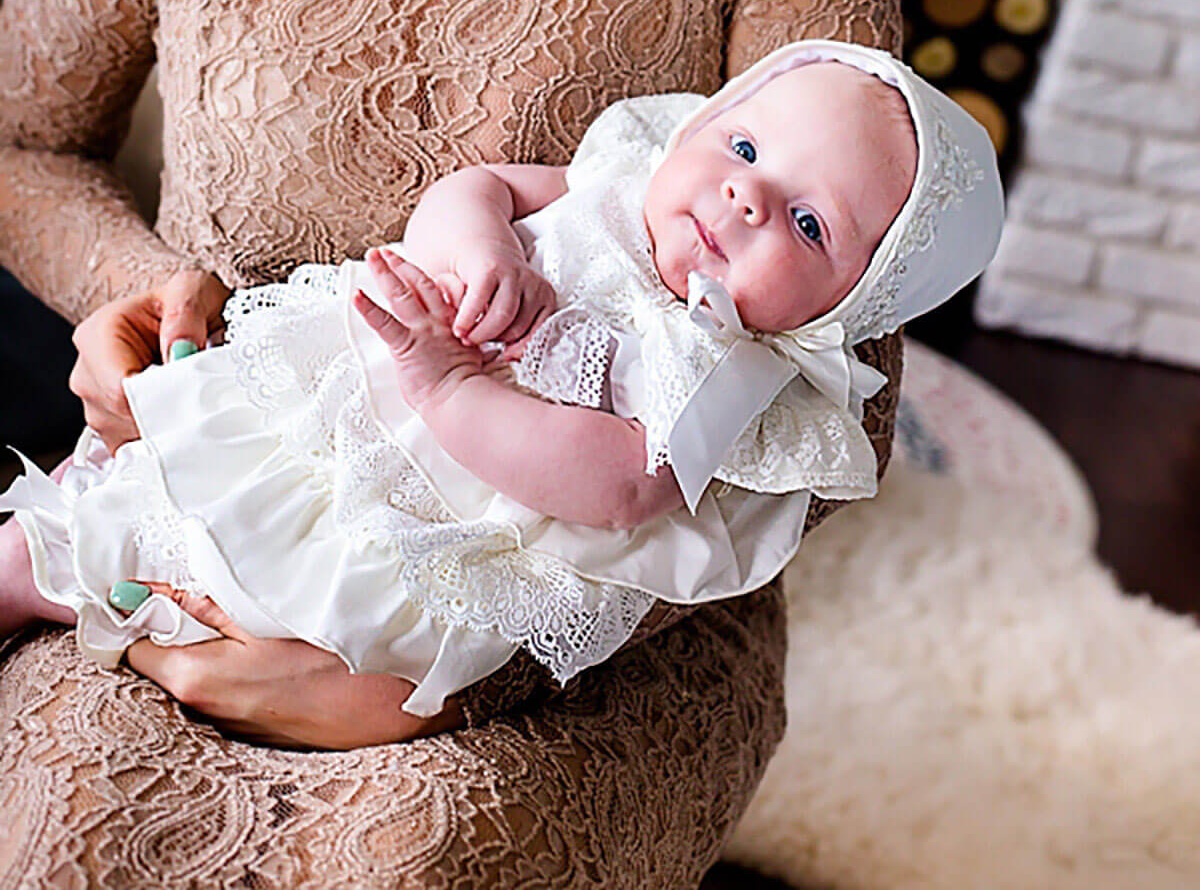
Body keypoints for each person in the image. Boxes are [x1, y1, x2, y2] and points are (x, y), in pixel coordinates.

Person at [0, 0, 913, 881]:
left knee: (427, 850)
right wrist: (138, 295)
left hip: (588, 600)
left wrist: (472, 661)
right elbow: (27, 146)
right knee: (78, 821)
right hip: (210, 488)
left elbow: (858, 385)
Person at [2, 39, 1003, 735]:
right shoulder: (615, 181)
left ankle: (88, 588)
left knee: (234, 588)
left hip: (429, 520)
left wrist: (449, 389)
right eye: (743, 148)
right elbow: (474, 189)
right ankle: (47, 560)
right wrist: (479, 250)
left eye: (809, 225)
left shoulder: (730, 365)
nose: (748, 195)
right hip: (330, 400)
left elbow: (625, 484)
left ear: (845, 307)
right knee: (125, 484)